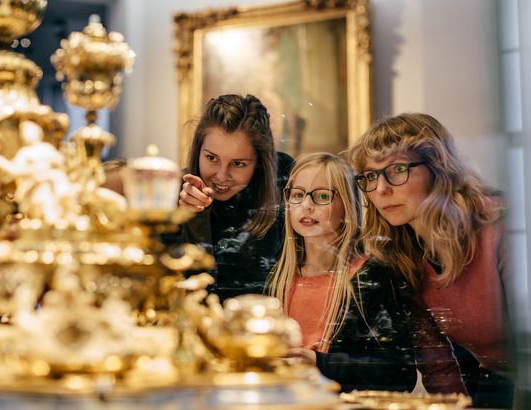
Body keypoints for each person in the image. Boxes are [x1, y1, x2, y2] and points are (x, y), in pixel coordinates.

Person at [347, 112, 514, 408]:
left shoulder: (500, 226)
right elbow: (438, 364)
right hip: (492, 382)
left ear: (438, 169)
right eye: (370, 176)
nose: (381, 189)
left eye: (397, 169)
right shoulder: (401, 252)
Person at [266, 152, 416, 392]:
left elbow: (399, 372)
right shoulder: (277, 279)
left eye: (322, 196)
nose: (306, 205)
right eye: (297, 195)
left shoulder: (368, 278)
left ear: (346, 207)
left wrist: (321, 363)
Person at [178, 94, 294, 301]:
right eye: (211, 158)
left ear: (260, 161)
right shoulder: (172, 193)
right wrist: (192, 220)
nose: (222, 175)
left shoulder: (286, 183)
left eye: (238, 163)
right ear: (198, 150)